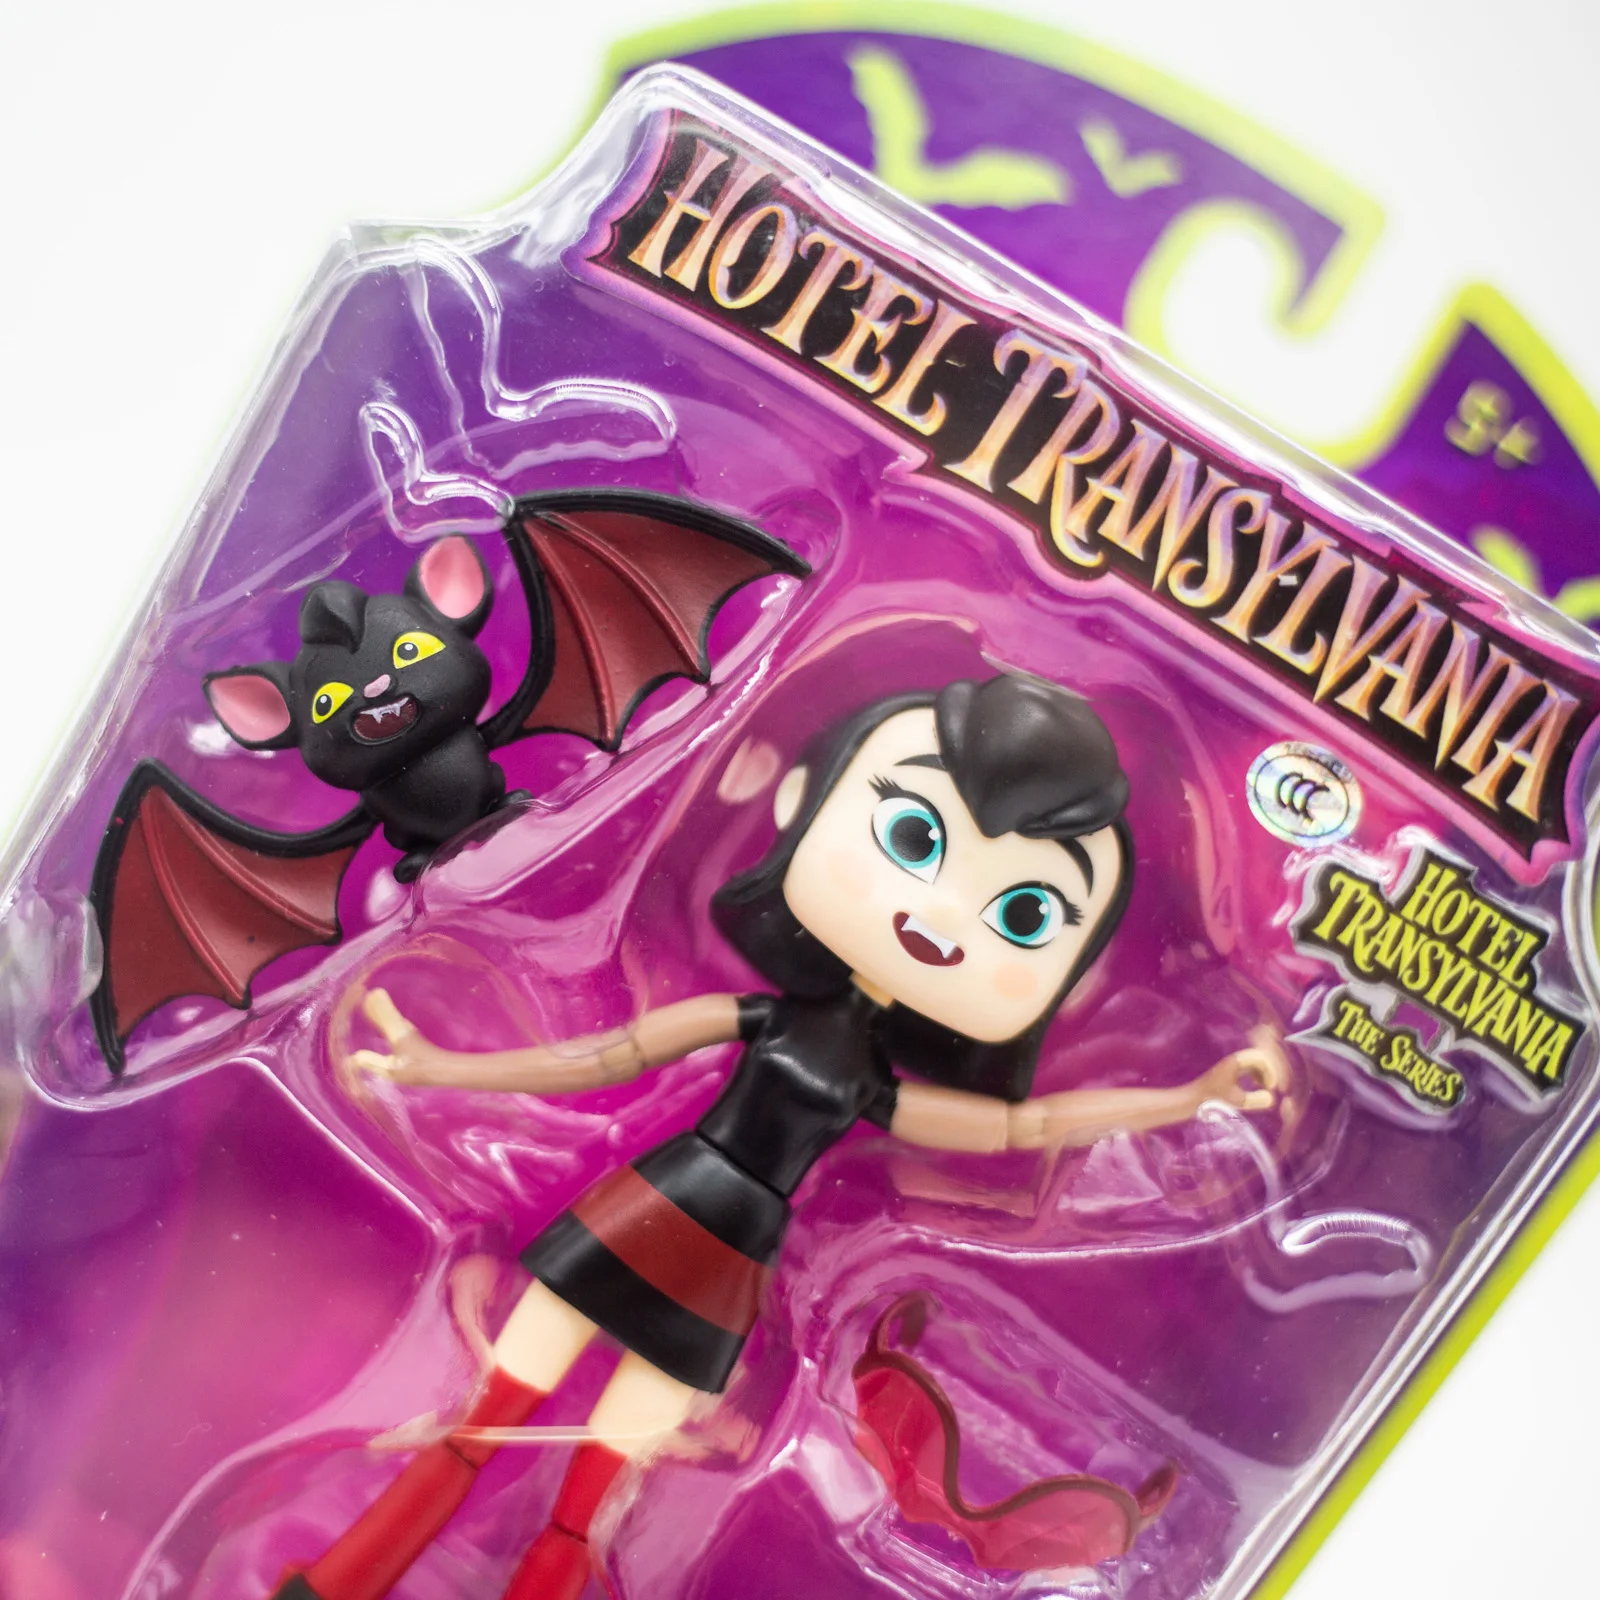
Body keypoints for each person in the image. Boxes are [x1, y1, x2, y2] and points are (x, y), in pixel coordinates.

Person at [273, 674, 1285, 1600]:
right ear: (802, 800)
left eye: (1023, 915)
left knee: (587, 1501)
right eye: (914, 836)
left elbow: (1032, 1123)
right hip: (653, 1205)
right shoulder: (762, 1019)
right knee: (478, 1426)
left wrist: (1186, 1095)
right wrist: (436, 1065)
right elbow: (603, 1059)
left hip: (726, 1261)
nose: (939, 916)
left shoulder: (872, 1085)